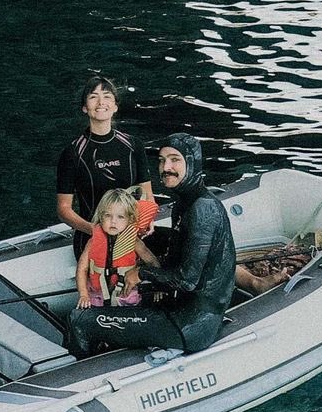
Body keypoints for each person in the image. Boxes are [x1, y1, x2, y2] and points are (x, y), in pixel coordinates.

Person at [66, 133, 236, 358]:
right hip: (176, 305)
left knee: (78, 320)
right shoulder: (185, 203)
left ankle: (83, 376)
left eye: (175, 160)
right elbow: (175, 262)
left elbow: (187, 280)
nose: (166, 167)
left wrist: (141, 273)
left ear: (192, 163)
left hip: (189, 324)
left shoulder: (202, 210)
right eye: (161, 160)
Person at [56, 78, 153, 257]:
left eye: (107, 96)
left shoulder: (133, 145)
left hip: (130, 236)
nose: (101, 102)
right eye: (94, 97)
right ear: (85, 107)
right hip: (92, 238)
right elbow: (63, 209)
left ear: (115, 106)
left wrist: (145, 221)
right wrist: (95, 230)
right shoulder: (73, 153)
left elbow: (147, 195)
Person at [76, 188, 160, 308]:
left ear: (130, 219)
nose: (113, 221)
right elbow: (82, 269)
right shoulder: (92, 242)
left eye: (120, 217)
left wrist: (158, 284)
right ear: (101, 217)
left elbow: (152, 261)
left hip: (127, 295)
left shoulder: (134, 242)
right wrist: (83, 294)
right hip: (97, 295)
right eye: (108, 216)